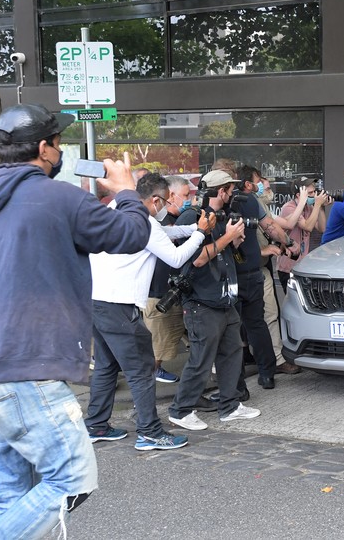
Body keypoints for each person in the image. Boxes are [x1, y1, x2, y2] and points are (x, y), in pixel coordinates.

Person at [0, 103, 151, 538]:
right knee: (73, 478)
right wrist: (127, 191)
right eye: (59, 142)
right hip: (27, 372)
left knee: (15, 494)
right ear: (46, 149)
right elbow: (132, 235)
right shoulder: (63, 199)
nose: (62, 149)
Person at [86, 173, 213, 450]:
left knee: (107, 366)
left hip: (96, 301)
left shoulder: (116, 211)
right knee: (142, 369)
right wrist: (202, 233)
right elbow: (176, 257)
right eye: (166, 202)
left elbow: (160, 234)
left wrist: (190, 230)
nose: (167, 207)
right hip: (120, 305)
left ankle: (96, 424)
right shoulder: (145, 223)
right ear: (155, 200)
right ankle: (150, 433)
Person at [167, 170, 260, 430]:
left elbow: (220, 251)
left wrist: (234, 241)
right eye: (231, 191)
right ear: (221, 191)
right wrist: (227, 238)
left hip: (224, 299)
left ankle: (230, 405)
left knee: (232, 353)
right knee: (201, 358)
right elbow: (195, 259)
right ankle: (180, 409)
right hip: (201, 301)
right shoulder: (192, 217)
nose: (234, 196)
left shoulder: (223, 218)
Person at [232, 166, 302, 389]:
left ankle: (245, 380)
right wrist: (288, 244)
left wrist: (283, 245)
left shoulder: (246, 201)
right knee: (255, 324)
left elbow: (270, 227)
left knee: (245, 325)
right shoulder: (248, 201)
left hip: (245, 273)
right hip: (243, 273)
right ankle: (265, 373)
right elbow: (271, 226)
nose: (262, 184)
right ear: (248, 184)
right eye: (258, 181)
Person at [143, 174, 197, 383]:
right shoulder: (155, 222)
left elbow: (175, 232)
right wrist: (199, 232)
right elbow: (175, 258)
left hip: (175, 292)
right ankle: (149, 377)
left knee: (174, 338)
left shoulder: (169, 221)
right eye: (185, 195)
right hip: (158, 295)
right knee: (159, 345)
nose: (189, 199)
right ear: (170, 195)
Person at [276, 177, 331, 293]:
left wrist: (320, 207)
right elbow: (308, 226)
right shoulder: (289, 208)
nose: (314, 195)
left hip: (301, 264)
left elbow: (322, 228)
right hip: (288, 266)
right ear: (298, 195)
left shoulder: (309, 207)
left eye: (314, 192)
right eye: (310, 193)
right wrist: (316, 205)